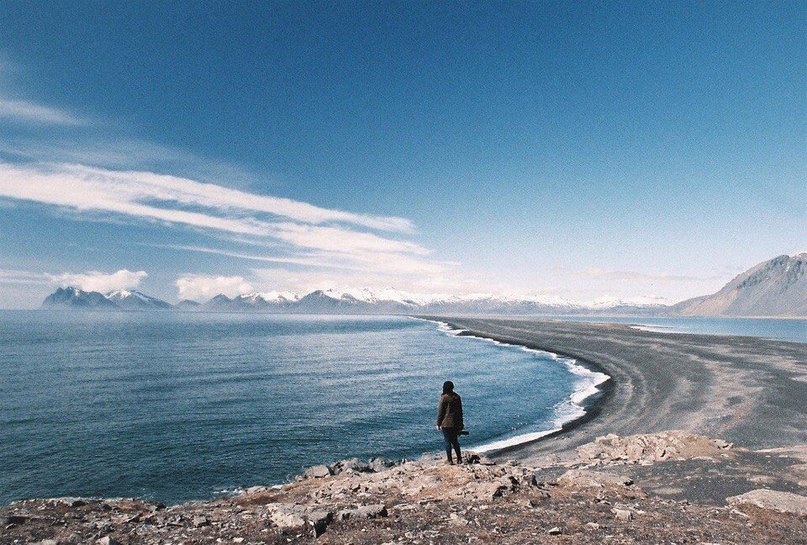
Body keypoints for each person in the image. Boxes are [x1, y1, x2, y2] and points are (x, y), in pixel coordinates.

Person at [436, 380, 464, 464]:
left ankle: (450, 460)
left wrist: (438, 423)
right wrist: (461, 423)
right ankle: (459, 459)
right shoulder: (457, 397)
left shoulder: (444, 397)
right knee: (455, 441)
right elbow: (460, 412)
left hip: (446, 423)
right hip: (456, 423)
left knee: (447, 441)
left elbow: (441, 412)